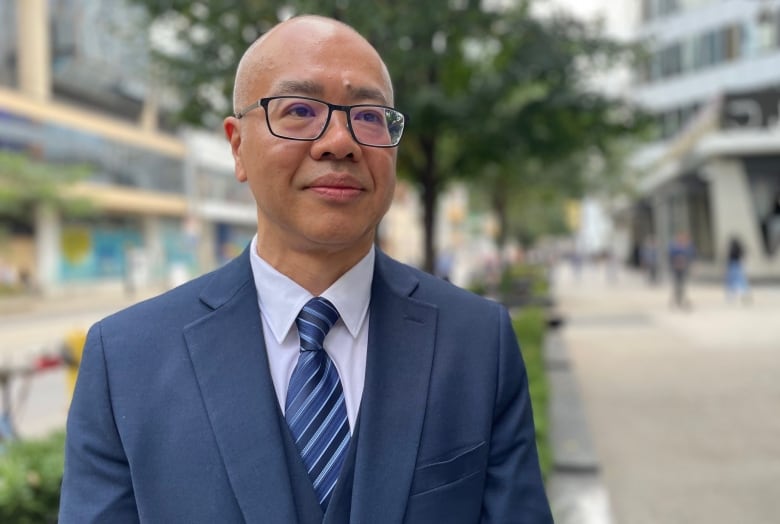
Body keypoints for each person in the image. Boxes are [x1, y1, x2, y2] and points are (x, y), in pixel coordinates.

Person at [59, 15, 552, 524]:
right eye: (298, 109)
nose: (339, 141)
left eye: (367, 116)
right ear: (237, 146)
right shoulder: (125, 359)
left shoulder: (477, 342)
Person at [668, 231, 695, 309]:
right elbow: (670, 256)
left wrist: (691, 265)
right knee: (677, 284)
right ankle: (677, 299)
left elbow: (692, 256)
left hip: (684, 268)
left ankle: (681, 299)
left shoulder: (688, 246)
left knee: (682, 284)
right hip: (676, 268)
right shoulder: (674, 246)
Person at [725, 235, 750, 303]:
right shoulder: (739, 248)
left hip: (733, 264)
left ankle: (732, 295)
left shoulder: (733, 248)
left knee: (732, 280)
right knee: (740, 279)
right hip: (737, 264)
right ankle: (743, 293)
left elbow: (729, 257)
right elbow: (743, 254)